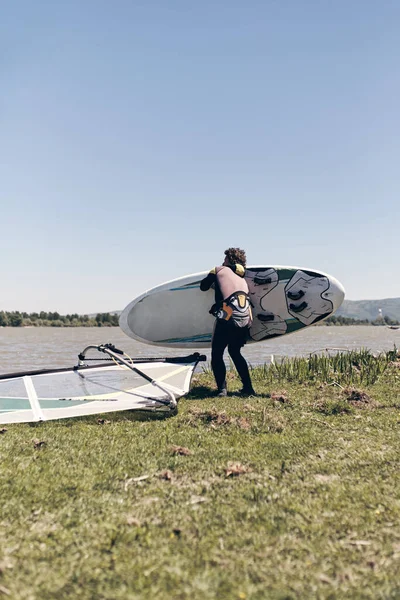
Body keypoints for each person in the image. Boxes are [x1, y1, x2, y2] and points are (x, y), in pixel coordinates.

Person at [200, 247, 255, 397]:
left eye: (225, 259)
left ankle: (222, 390)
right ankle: (248, 388)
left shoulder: (218, 270)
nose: (222, 262)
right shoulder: (243, 278)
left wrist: (214, 281)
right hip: (246, 318)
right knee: (235, 352)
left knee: (217, 354)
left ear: (229, 260)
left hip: (228, 316)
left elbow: (203, 286)